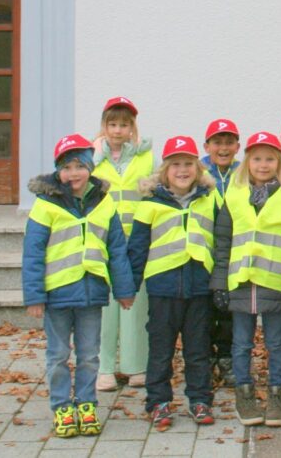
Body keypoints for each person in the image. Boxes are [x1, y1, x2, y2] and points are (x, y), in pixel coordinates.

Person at [23, 134, 135, 438]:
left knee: (89, 355)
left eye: (79, 166)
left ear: (89, 167)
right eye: (67, 167)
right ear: (58, 170)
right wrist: (34, 296)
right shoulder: (46, 205)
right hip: (56, 293)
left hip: (91, 293)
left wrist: (124, 290)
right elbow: (33, 253)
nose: (74, 173)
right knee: (58, 354)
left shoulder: (104, 202)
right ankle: (61, 406)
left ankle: (86, 404)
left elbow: (117, 249)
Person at [211, 132, 281, 428]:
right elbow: (222, 242)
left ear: (279, 162)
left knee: (277, 343)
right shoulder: (233, 195)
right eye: (257, 159)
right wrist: (219, 283)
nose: (263, 165)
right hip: (240, 281)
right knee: (241, 344)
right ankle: (245, 395)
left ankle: (276, 396)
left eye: (270, 159)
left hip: (275, 281)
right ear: (247, 161)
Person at [127, 136, 218, 427]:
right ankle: (158, 402)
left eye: (188, 164)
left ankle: (200, 399)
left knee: (198, 348)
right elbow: (138, 248)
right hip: (163, 288)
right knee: (161, 349)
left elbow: (222, 241)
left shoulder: (210, 199)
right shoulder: (150, 204)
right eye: (175, 164)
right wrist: (129, 285)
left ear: (198, 168)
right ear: (164, 171)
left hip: (200, 287)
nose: (182, 170)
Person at [92, 96, 153, 391]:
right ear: (104, 126)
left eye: (124, 125)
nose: (118, 130)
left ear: (133, 128)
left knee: (136, 303)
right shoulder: (92, 158)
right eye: (112, 124)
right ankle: (103, 367)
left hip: (136, 241)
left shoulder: (146, 157)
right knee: (104, 305)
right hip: (102, 240)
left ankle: (135, 365)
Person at [201, 117, 241, 386]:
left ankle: (226, 357)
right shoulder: (197, 171)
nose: (223, 148)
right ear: (207, 145)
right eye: (217, 142)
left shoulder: (244, 172)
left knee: (230, 310)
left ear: (238, 146)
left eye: (229, 142)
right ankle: (204, 358)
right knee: (203, 310)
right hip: (204, 248)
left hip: (235, 250)